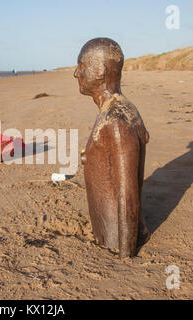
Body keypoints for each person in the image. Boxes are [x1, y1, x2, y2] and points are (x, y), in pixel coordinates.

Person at [74, 38, 151, 258]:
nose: (76, 74)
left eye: (81, 67)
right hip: (111, 235)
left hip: (116, 240)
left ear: (99, 70)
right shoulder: (115, 109)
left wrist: (125, 254)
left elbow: (127, 195)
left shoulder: (116, 120)